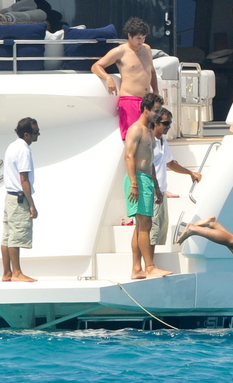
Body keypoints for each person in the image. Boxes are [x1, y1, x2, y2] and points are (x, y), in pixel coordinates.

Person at [124, 93, 171, 279]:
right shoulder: (136, 129)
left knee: (140, 226)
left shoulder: (149, 131)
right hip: (137, 179)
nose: (158, 115)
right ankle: (149, 267)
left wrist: (156, 186)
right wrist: (134, 184)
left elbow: (150, 161)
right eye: (156, 111)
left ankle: (137, 269)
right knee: (145, 225)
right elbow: (129, 156)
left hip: (147, 180)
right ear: (145, 109)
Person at [92, 17, 160, 139]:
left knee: (148, 138)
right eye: (138, 38)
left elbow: (152, 71)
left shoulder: (147, 49)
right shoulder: (120, 51)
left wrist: (156, 92)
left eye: (143, 38)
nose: (141, 41)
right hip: (130, 99)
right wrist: (108, 78)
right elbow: (96, 66)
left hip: (147, 100)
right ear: (129, 35)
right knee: (132, 138)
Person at [148, 107, 203, 258]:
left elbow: (170, 163)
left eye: (170, 123)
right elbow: (147, 167)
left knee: (159, 229)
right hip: (151, 189)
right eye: (166, 123)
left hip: (160, 190)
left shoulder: (163, 141)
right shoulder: (148, 141)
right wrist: (156, 189)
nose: (169, 126)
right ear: (155, 122)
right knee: (151, 229)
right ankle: (148, 264)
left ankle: (150, 262)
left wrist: (190, 173)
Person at [1, 117, 40, 283]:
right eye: (36, 132)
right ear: (27, 134)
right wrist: (32, 204)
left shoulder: (12, 146)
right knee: (16, 236)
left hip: (9, 197)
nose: (38, 135)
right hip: (18, 198)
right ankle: (17, 273)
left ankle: (7, 273)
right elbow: (24, 179)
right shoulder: (24, 150)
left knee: (7, 236)